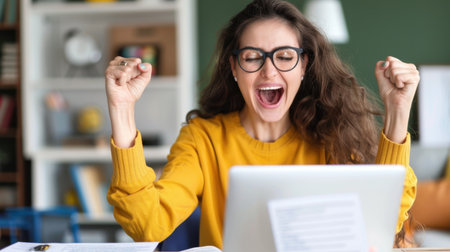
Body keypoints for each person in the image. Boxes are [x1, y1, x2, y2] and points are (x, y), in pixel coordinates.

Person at [105, 0, 419, 249]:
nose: (269, 72)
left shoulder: (331, 136)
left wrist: (398, 110)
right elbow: (147, 225)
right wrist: (122, 108)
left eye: (284, 57)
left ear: (303, 66)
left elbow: (384, 220)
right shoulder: (203, 139)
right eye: (253, 57)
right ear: (234, 67)